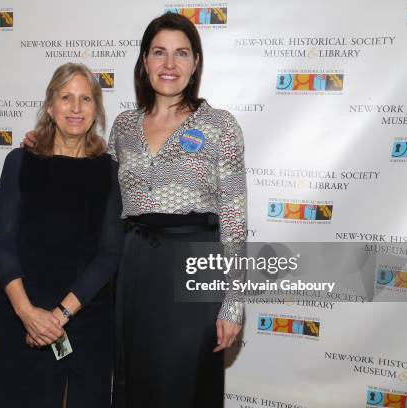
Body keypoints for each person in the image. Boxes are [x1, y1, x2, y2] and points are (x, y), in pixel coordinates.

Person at [24, 13, 247, 407]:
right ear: (144, 61)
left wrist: (233, 302)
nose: (169, 64)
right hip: (132, 267)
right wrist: (47, 147)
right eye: (159, 53)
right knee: (132, 381)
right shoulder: (124, 126)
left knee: (185, 381)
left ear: (196, 63)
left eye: (181, 54)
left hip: (193, 268)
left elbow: (234, 218)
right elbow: (93, 187)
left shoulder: (220, 125)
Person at [0, 62, 123, 408]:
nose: (75, 108)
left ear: (96, 110)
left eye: (86, 99)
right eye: (66, 97)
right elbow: (1, 245)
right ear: (50, 106)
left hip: (86, 319)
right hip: (21, 317)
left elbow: (109, 255)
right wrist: (29, 314)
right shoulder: (19, 162)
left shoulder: (109, 172)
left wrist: (58, 317)